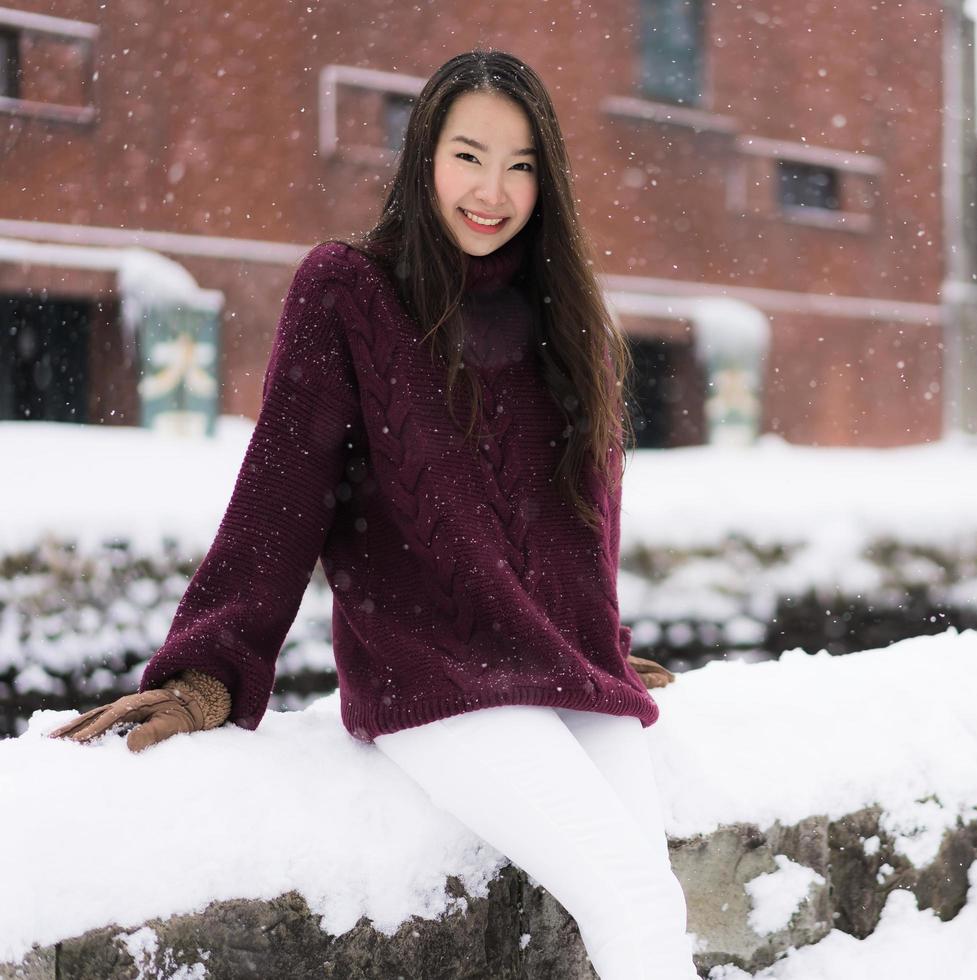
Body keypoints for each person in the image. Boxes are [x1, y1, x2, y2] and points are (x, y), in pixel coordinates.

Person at [47, 50, 700, 980]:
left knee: (654, 895)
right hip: (429, 674)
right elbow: (281, 494)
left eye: (521, 165)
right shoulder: (347, 289)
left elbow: (580, 514)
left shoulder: (563, 308)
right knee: (628, 898)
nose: (493, 189)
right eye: (469, 155)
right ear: (423, 156)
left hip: (555, 659)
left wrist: (588, 634)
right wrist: (209, 672)